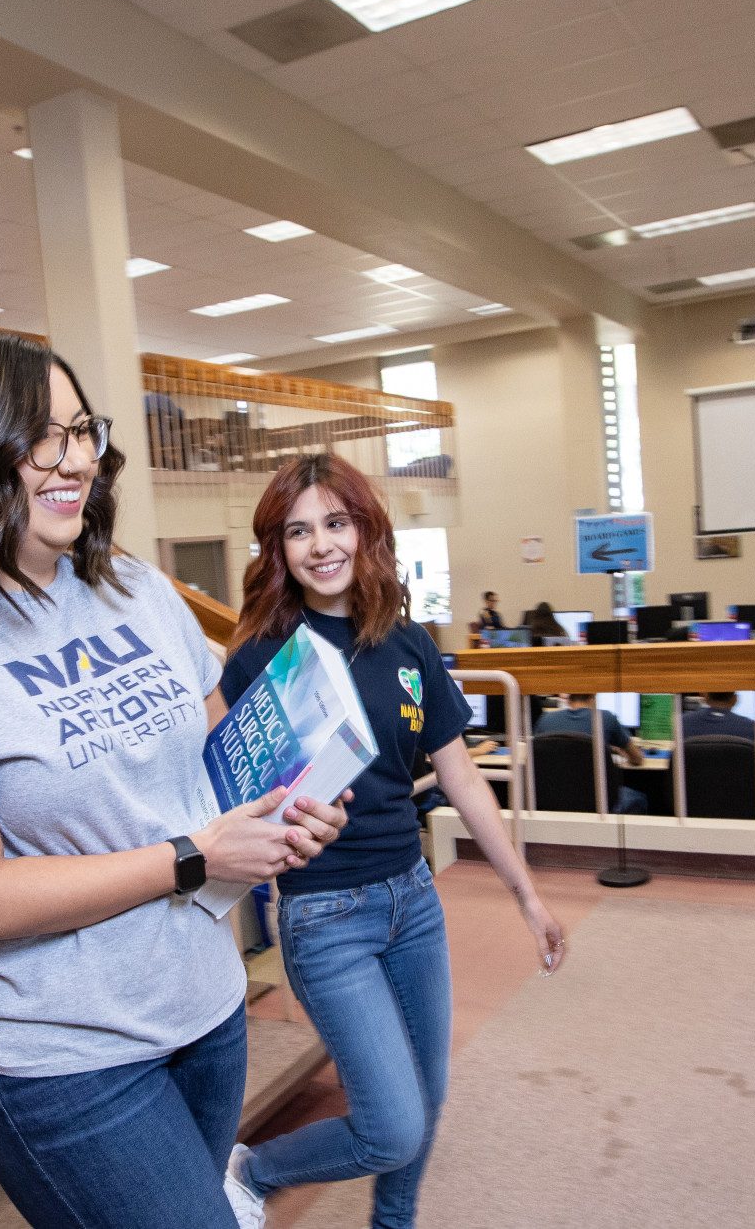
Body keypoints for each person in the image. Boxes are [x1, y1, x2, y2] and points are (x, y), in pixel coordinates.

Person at [0, 332, 353, 1229]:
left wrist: (290, 800)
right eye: (43, 436)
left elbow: (219, 756)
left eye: (82, 431)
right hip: (61, 1052)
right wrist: (194, 855)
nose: (76, 457)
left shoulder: (133, 587)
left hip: (204, 1008)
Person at [221, 454, 567, 1229]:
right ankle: (256, 1168)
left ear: (365, 530)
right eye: (298, 531)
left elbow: (465, 779)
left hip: (412, 901)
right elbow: (228, 795)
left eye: (335, 523)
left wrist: (526, 893)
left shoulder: (407, 646)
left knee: (429, 1096)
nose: (320, 546)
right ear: (278, 550)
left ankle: (393, 1223)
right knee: (390, 1125)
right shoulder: (260, 659)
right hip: (323, 915)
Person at [534, 693, 649, 813]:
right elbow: (637, 759)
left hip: (553, 801)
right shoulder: (606, 718)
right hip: (598, 802)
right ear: (593, 697)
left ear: (568, 698)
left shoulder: (545, 720)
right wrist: (620, 750)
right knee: (638, 798)